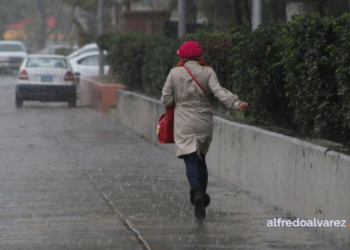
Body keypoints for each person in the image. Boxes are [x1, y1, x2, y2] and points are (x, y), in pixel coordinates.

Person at [161, 41, 248, 221]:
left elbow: (166, 100)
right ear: (199, 56)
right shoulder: (208, 71)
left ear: (182, 57)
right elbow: (218, 91)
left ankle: (196, 193)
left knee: (190, 157)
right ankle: (202, 194)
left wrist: (180, 100)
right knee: (201, 158)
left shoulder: (174, 73)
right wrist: (235, 103)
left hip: (184, 120)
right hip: (203, 120)